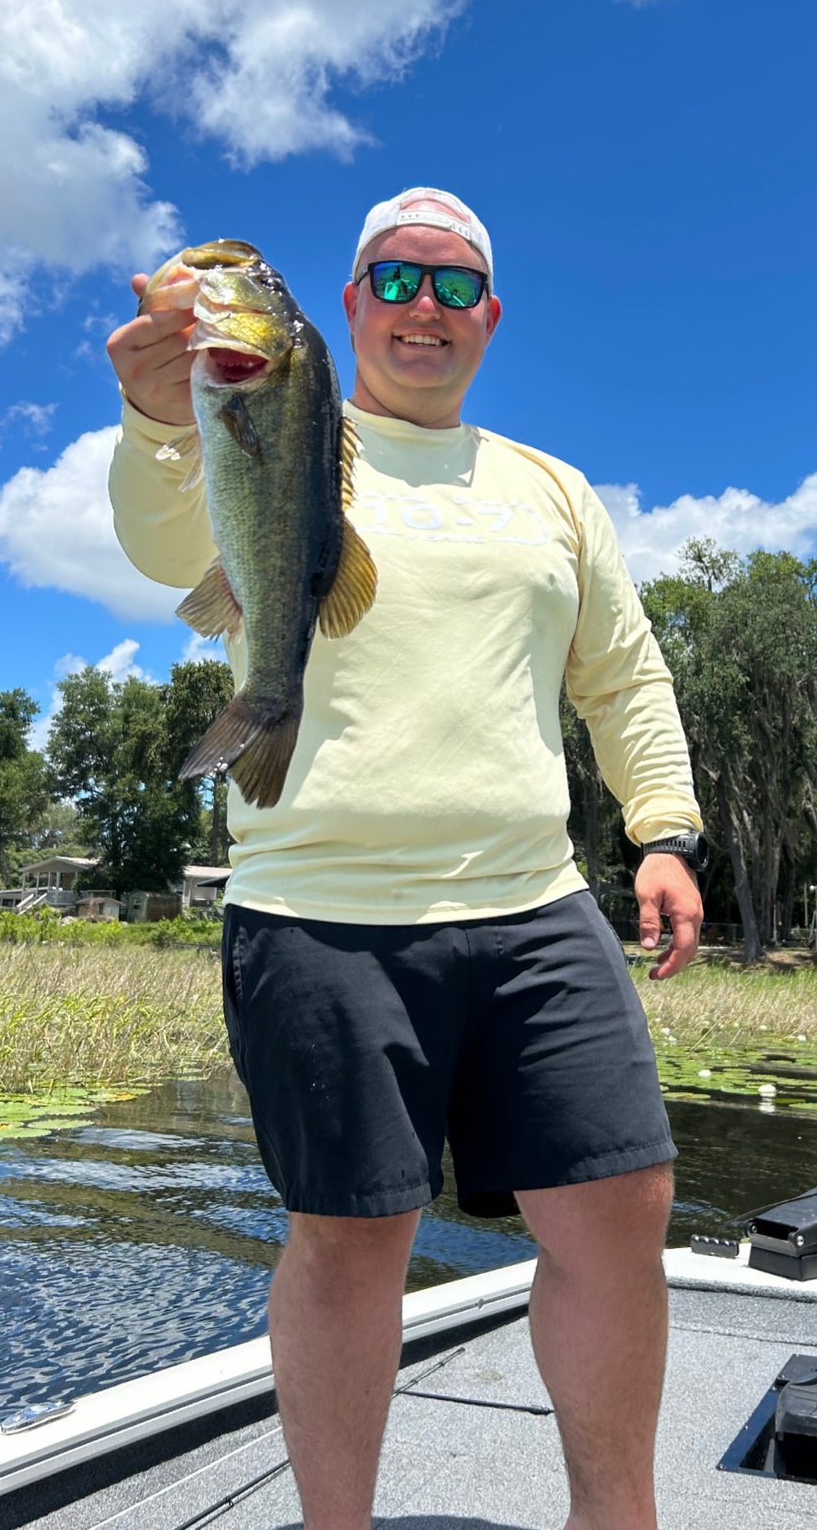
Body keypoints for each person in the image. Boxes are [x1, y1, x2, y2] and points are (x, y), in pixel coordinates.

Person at [106, 186, 705, 1530]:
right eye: (391, 280)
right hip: (316, 911)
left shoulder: (549, 487)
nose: (421, 309)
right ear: (349, 302)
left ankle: (616, 1518)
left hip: (532, 903)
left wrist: (661, 827)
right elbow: (162, 544)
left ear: (487, 315)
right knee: (349, 1238)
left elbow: (622, 673)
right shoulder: (285, 421)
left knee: (619, 1209)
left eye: (450, 285)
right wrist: (156, 415)